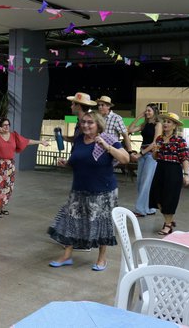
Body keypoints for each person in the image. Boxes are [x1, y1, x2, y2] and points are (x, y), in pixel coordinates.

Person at [48, 110, 129, 271]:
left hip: (103, 191)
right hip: (79, 189)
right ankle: (67, 255)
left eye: (90, 122)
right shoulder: (79, 139)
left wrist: (106, 147)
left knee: (102, 223)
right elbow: (77, 161)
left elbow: (125, 158)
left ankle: (102, 258)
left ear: (98, 124)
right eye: (83, 122)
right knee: (71, 220)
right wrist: (66, 163)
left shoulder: (108, 139)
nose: (85, 125)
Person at [0, 117, 50, 217]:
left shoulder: (13, 136)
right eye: (4, 125)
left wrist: (40, 142)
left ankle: (2, 207)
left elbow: (26, 141)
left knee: (7, 187)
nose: (7, 127)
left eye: (8, 125)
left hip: (9, 166)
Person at [149, 112, 189, 236]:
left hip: (173, 171)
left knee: (169, 199)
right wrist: (154, 152)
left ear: (174, 125)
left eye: (169, 122)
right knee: (156, 197)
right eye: (165, 121)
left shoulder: (179, 140)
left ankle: (168, 225)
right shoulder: (159, 139)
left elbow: (185, 158)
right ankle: (170, 221)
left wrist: (186, 174)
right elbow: (155, 157)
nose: (165, 124)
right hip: (160, 168)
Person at [127, 103, 162, 217]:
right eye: (146, 110)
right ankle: (150, 209)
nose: (147, 112)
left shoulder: (158, 125)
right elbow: (130, 130)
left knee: (146, 182)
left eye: (149, 110)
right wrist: (139, 117)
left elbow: (155, 143)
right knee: (140, 182)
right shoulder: (145, 124)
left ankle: (140, 210)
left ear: (154, 112)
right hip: (143, 154)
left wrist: (140, 154)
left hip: (151, 155)